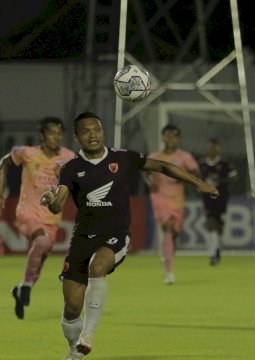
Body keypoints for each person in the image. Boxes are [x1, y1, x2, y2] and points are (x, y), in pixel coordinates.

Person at [40, 112, 218, 359]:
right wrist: (50, 200)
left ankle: (87, 335)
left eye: (97, 130)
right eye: (86, 131)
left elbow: (163, 166)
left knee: (98, 266)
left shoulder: (123, 158)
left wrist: (198, 183)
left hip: (115, 235)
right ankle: (73, 351)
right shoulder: (71, 168)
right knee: (71, 307)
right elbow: (59, 204)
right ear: (77, 137)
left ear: (103, 132)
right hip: (82, 239)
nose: (93, 135)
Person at [0, 117, 75, 320]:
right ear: (42, 135)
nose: (56, 137)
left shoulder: (68, 157)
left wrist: (67, 175)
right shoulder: (28, 153)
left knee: (39, 261)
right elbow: (4, 162)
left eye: (59, 133)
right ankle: (27, 288)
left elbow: (80, 180)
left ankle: (21, 289)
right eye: (51, 133)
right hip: (27, 212)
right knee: (40, 241)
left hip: (52, 217)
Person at [144, 124, 200, 284]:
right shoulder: (154, 156)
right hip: (159, 197)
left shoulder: (184, 157)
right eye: (167, 135)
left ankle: (167, 255)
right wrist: (150, 182)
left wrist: (186, 176)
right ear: (162, 137)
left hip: (177, 199)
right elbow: (146, 173)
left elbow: (196, 173)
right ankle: (169, 273)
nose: (170, 139)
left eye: (173, 136)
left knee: (174, 234)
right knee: (167, 227)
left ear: (178, 139)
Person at [199, 138, 238, 265]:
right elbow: (195, 178)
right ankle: (213, 253)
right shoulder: (202, 164)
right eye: (211, 147)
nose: (213, 150)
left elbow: (234, 177)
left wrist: (219, 181)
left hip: (222, 197)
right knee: (211, 223)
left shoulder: (225, 163)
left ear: (219, 149)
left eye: (215, 147)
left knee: (220, 225)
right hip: (207, 198)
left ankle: (216, 249)